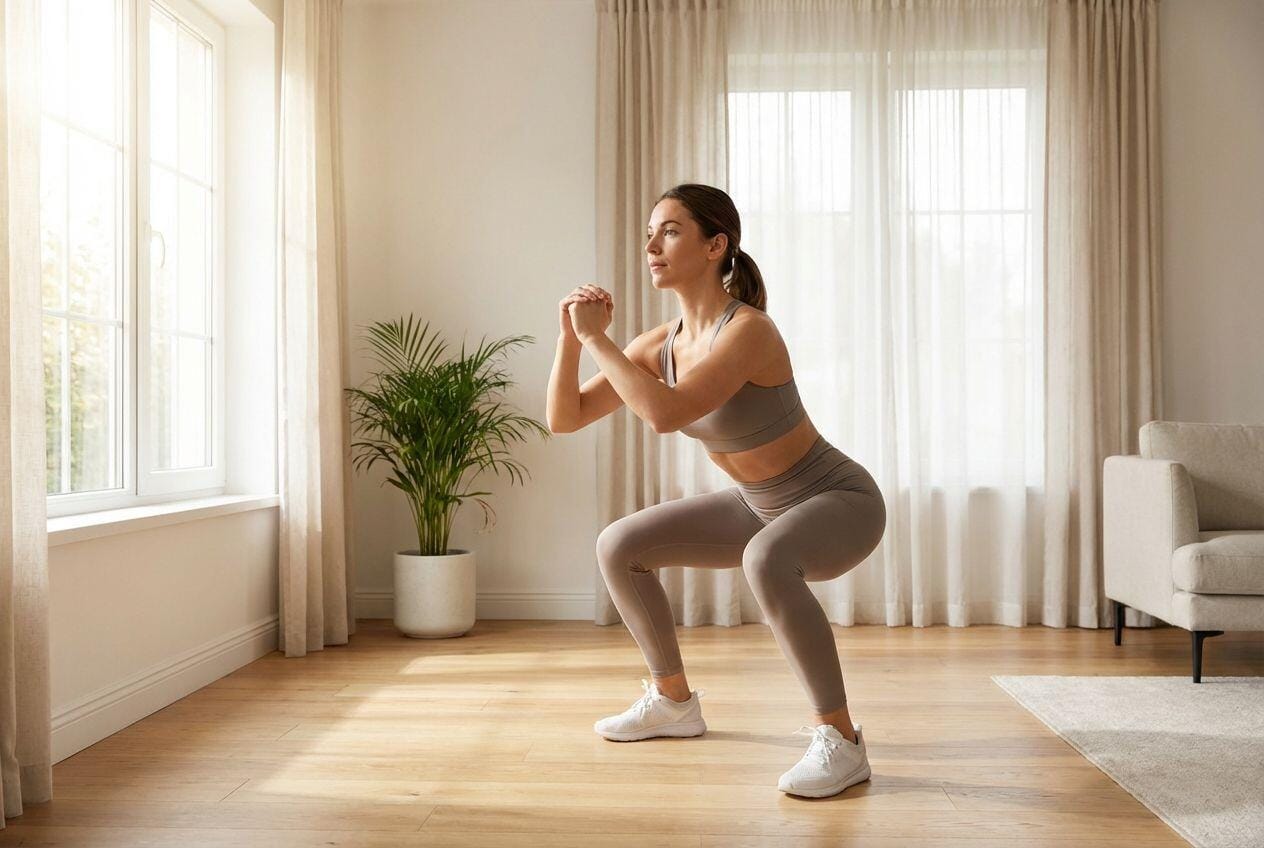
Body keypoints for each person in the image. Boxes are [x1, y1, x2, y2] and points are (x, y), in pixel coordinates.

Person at [545, 183, 886, 799]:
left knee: (767, 558)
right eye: (650, 231)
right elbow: (564, 417)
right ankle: (672, 701)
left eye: (670, 230)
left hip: (838, 501)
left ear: (715, 246)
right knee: (620, 545)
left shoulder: (748, 331)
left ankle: (841, 740)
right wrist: (572, 339)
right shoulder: (660, 344)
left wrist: (599, 340)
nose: (651, 245)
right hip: (758, 504)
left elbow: (665, 414)